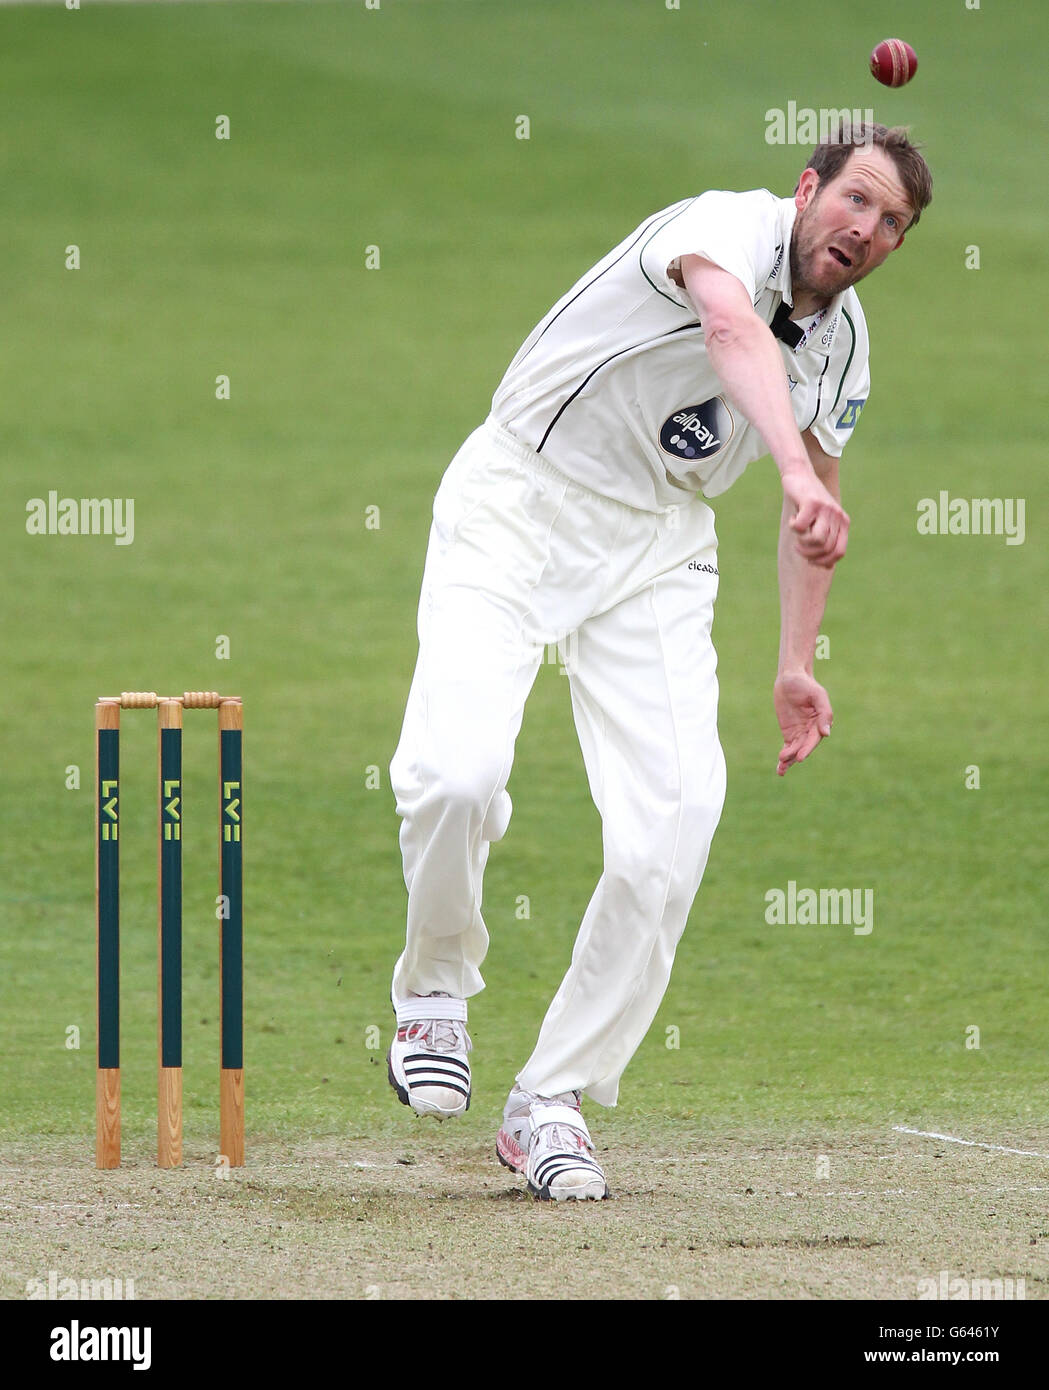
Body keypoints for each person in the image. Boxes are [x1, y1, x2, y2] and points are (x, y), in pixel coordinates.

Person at [386, 123, 933, 1200]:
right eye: (854, 201)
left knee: (675, 821)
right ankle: (433, 988)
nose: (863, 229)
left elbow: (814, 511)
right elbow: (729, 328)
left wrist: (792, 660)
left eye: (890, 224)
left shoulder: (843, 343)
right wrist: (785, 466)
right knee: (456, 772)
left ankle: (552, 1099)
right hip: (521, 498)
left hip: (655, 544)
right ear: (806, 186)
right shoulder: (720, 227)